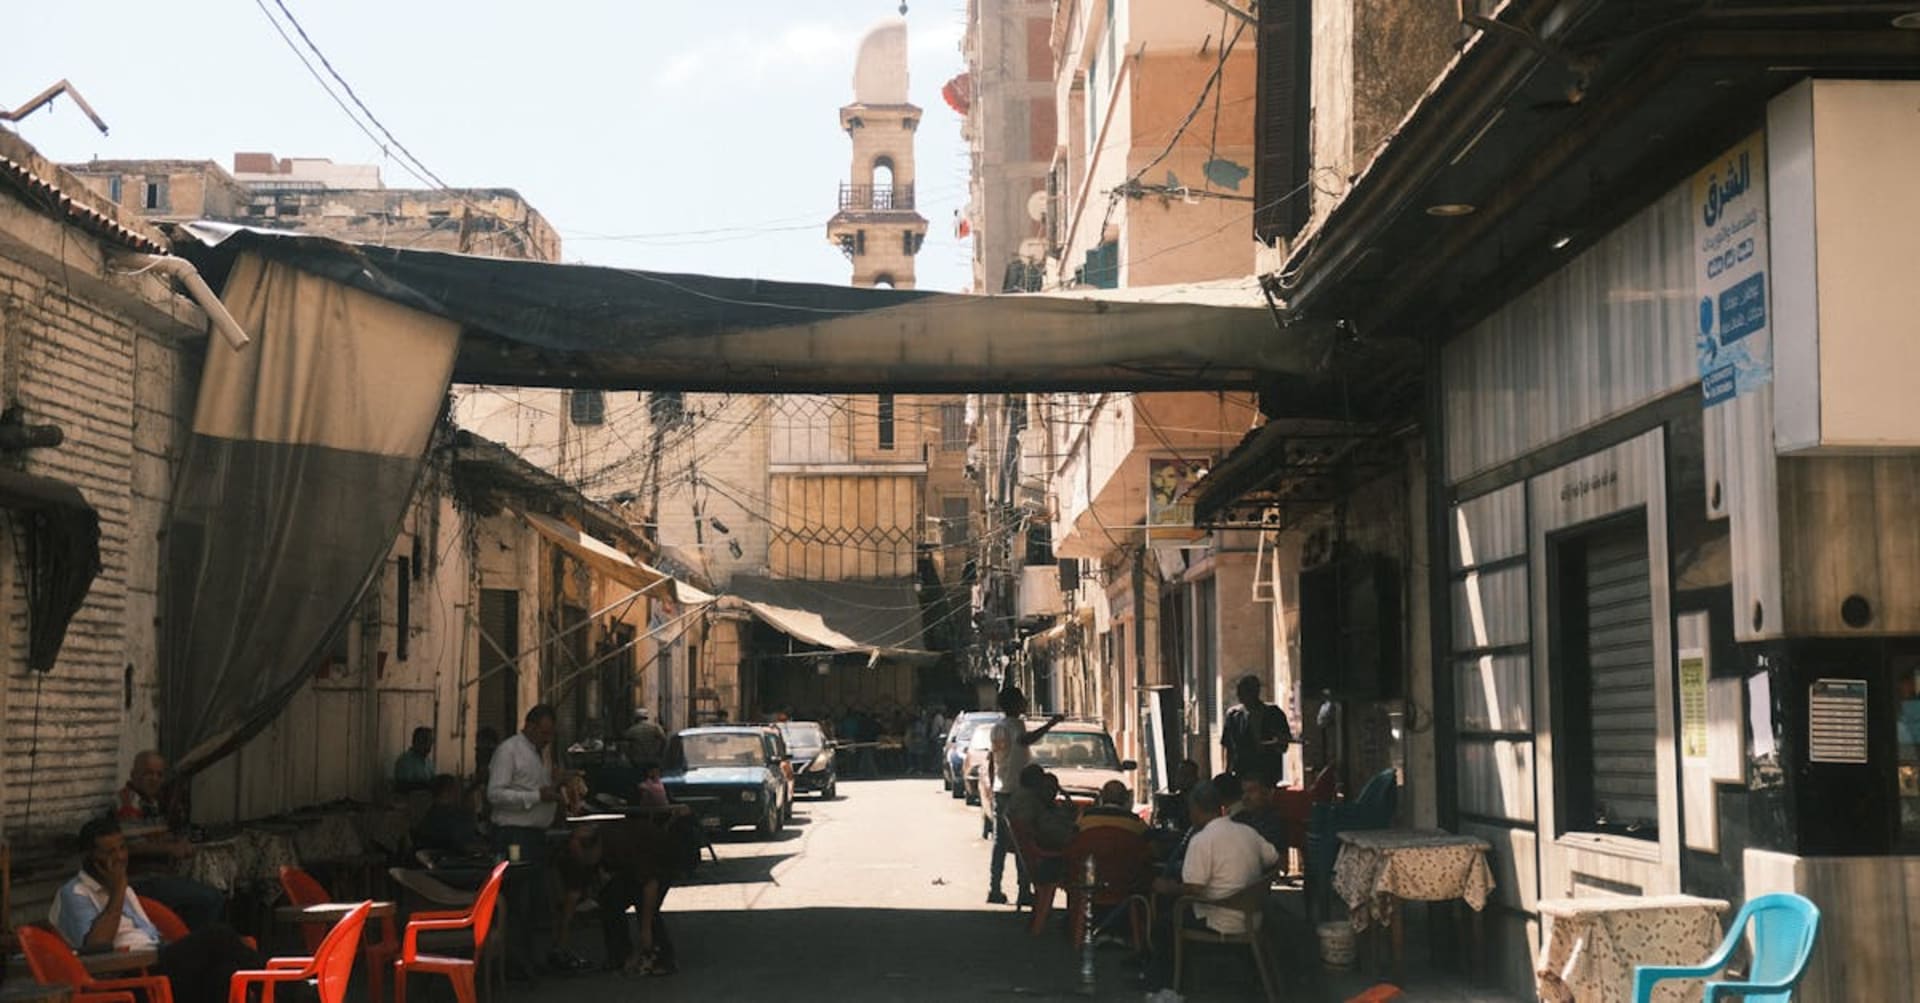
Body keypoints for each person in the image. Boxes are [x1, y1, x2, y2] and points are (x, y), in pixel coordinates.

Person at [52, 816, 266, 1003]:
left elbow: (151, 936)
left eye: (122, 848)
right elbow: (97, 947)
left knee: (223, 974)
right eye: (109, 852)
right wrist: (117, 891)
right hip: (128, 979)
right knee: (217, 935)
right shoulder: (76, 893)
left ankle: (277, 993)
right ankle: (284, 990)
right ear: (88, 857)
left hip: (156, 965)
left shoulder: (123, 887)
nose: (119, 857)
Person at [1141, 781, 1280, 991]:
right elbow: (1273, 858)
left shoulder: (1203, 839)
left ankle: (1164, 984)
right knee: (1173, 909)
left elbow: (1194, 889)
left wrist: (1167, 887)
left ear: (1195, 810)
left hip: (1221, 919)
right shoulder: (1247, 831)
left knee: (1163, 925)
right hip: (1253, 915)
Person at [487, 704, 579, 981]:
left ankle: (528, 957)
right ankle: (515, 961)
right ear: (529, 725)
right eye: (544, 732)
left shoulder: (541, 753)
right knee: (518, 896)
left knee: (536, 898)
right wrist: (536, 797)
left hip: (536, 835)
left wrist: (556, 783)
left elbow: (536, 786)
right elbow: (495, 794)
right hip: (514, 836)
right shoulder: (509, 751)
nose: (547, 738)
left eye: (550, 734)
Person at [566, 815, 703, 977]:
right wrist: (562, 938)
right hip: (632, 870)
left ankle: (662, 957)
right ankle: (619, 955)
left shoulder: (624, 843)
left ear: (594, 848)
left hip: (661, 863)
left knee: (645, 906)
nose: (585, 863)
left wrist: (644, 931)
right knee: (609, 898)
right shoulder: (593, 848)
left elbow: (650, 885)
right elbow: (573, 892)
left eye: (586, 858)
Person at [113, 751, 225, 931]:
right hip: (140, 880)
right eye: (148, 773)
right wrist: (169, 849)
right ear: (133, 774)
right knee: (211, 898)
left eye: (159, 775)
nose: (154, 779)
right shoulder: (129, 801)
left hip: (159, 877)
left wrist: (178, 842)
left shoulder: (151, 803)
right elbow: (132, 845)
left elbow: (155, 837)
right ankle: (193, 949)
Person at [985, 686, 1066, 906]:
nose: (1025, 704)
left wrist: (992, 785)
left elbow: (992, 760)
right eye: (1022, 701)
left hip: (1001, 789)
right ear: (1013, 704)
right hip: (1017, 791)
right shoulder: (1015, 725)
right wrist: (1051, 724)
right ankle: (1023, 890)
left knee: (1000, 843)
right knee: (1024, 841)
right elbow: (1026, 740)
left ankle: (995, 888)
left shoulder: (996, 728)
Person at [1222, 673, 1292, 783]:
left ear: (1256, 692)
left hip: (1267, 769)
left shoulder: (1273, 713)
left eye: (1246, 691)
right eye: (1239, 691)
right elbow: (1228, 745)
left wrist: (1276, 743)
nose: (1240, 695)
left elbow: (1284, 741)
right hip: (1242, 770)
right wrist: (1228, 771)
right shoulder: (1233, 715)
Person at [415, 774, 487, 857]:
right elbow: (463, 845)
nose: (459, 793)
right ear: (448, 791)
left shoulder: (430, 815)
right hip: (452, 863)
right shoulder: (452, 816)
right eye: (457, 789)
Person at [1233, 768, 1290, 860]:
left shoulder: (1275, 821)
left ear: (1267, 793)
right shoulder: (1237, 819)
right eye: (1244, 792)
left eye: (1251, 791)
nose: (1245, 797)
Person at [1079, 779, 1148, 836]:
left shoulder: (1085, 818)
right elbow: (1153, 847)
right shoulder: (1136, 822)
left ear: (1102, 797)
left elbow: (1072, 840)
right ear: (1125, 799)